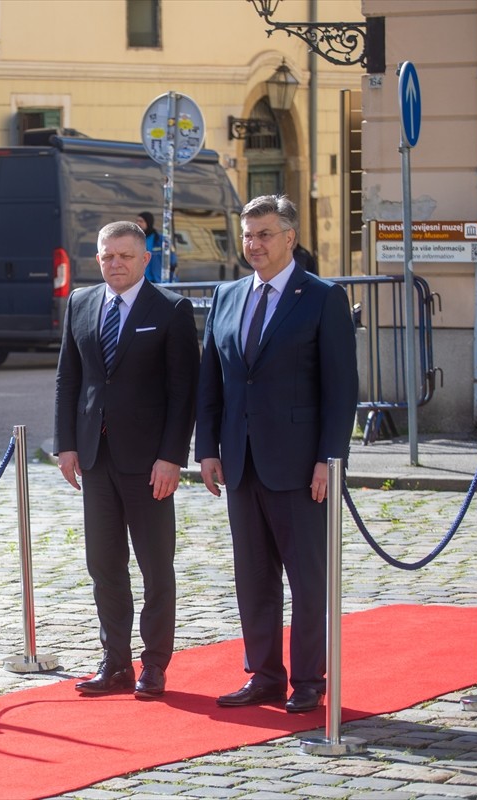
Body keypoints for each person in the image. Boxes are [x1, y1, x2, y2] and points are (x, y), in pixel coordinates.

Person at [195, 194, 357, 714]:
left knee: (307, 579)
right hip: (240, 462)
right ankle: (264, 674)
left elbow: (341, 390)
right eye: (247, 234)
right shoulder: (228, 295)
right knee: (253, 577)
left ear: (290, 237)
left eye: (264, 234)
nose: (253, 244)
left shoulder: (322, 297)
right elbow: (212, 381)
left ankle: (309, 679)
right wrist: (209, 450)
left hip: (299, 465)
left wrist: (329, 460)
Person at [53, 220, 199, 699]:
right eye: (106, 256)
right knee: (104, 564)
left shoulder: (171, 310)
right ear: (97, 259)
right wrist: (67, 444)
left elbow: (183, 392)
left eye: (125, 256)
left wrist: (171, 457)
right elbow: (68, 380)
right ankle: (113, 661)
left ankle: (153, 664)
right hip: (95, 457)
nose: (115, 264)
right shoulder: (80, 303)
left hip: (149, 462)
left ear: (144, 259)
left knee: (156, 566)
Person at [136, 211, 176, 284]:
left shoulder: (161, 240)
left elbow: (172, 261)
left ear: (148, 222)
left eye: (141, 221)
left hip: (158, 281)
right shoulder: (135, 240)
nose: (138, 223)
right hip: (140, 281)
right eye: (137, 221)